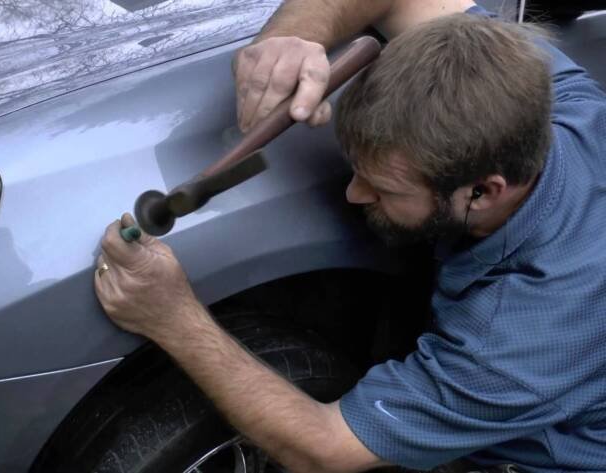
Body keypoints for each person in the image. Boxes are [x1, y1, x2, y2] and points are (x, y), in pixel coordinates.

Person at [93, 0, 606, 471]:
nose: (355, 195)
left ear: (484, 191)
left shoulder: (526, 333)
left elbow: (324, 449)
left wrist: (173, 318)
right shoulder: (541, 95)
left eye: (384, 188)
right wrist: (291, 38)